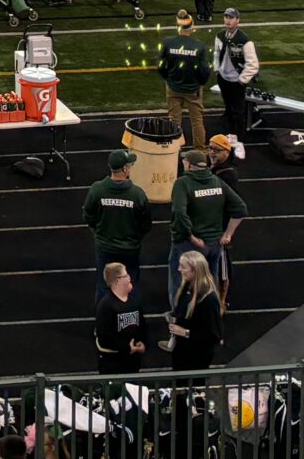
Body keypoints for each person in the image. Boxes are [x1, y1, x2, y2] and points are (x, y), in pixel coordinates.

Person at [167, 145, 248, 303]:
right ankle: (210, 315)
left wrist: (191, 237)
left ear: (190, 165)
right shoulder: (216, 181)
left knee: (180, 283)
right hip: (214, 244)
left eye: (184, 161)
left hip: (190, 245)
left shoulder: (183, 183)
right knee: (210, 283)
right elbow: (241, 208)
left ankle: (179, 316)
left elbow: (179, 213)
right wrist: (228, 234)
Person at [83, 148, 153, 304]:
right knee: (130, 283)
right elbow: (146, 223)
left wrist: (98, 233)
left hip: (105, 246)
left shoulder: (97, 189)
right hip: (130, 248)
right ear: (125, 169)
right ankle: (131, 321)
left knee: (104, 285)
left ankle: (103, 324)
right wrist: (135, 237)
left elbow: (88, 215)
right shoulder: (137, 194)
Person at [159, 10, 211, 150]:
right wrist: (199, 83)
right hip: (193, 89)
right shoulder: (199, 46)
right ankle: (200, 151)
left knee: (174, 120)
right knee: (197, 121)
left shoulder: (168, 43)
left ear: (178, 26)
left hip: (173, 87)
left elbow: (161, 66)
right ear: (192, 26)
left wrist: (168, 79)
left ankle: (172, 150)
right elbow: (205, 71)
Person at [167, 247, 224, 373]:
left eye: (183, 267)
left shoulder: (209, 299)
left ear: (194, 270)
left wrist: (186, 333)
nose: (179, 269)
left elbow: (213, 336)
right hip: (181, 352)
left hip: (197, 357)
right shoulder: (186, 288)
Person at [213, 7, 261, 141]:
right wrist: (217, 69)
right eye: (226, 17)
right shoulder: (220, 36)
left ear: (237, 20)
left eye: (231, 18)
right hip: (223, 78)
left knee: (238, 111)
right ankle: (228, 132)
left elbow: (253, 64)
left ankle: (238, 139)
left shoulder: (245, 40)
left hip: (236, 81)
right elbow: (216, 54)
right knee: (228, 106)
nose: (228, 21)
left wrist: (242, 80)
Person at [93, 262, 148, 375]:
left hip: (132, 361)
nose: (129, 278)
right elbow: (105, 337)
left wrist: (143, 342)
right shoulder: (105, 306)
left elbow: (142, 326)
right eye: (126, 275)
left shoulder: (134, 302)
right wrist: (127, 348)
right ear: (117, 281)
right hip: (113, 365)